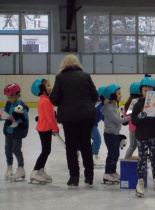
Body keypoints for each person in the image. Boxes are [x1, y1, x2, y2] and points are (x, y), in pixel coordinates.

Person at [50, 54, 98, 187]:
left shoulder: (60, 78)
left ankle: (74, 177)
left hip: (69, 117)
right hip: (87, 116)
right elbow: (95, 96)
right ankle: (89, 176)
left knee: (71, 147)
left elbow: (54, 99)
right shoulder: (86, 76)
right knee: (85, 145)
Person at [132, 75, 155, 197]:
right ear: (141, 91)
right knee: (142, 159)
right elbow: (133, 120)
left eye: (150, 90)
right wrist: (139, 117)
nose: (147, 92)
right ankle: (140, 181)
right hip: (142, 135)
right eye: (145, 90)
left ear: (154, 91)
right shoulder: (138, 104)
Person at [30, 78, 59, 183]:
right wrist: (55, 128)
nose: (50, 87)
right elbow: (49, 117)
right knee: (45, 150)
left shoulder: (45, 100)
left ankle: (41, 170)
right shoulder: (45, 101)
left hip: (44, 128)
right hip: (44, 128)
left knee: (46, 150)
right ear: (42, 88)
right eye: (48, 85)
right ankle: (36, 171)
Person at [101, 84, 131, 183]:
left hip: (114, 134)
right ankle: (107, 173)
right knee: (112, 154)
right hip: (110, 135)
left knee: (116, 153)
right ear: (112, 96)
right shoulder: (109, 109)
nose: (120, 96)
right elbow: (118, 120)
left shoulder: (113, 106)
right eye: (118, 94)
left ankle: (112, 171)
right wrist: (131, 116)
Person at [2, 83, 29, 180]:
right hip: (8, 131)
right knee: (8, 150)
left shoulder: (21, 105)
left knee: (16, 150)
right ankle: (9, 168)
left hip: (16, 133)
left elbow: (24, 118)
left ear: (17, 95)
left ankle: (21, 168)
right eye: (8, 97)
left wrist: (15, 119)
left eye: (11, 97)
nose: (9, 99)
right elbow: (5, 115)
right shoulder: (8, 104)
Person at [124, 82, 142, 159]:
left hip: (132, 129)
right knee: (141, 147)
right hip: (140, 128)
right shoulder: (140, 102)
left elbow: (126, 117)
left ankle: (126, 160)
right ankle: (142, 162)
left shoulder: (129, 103)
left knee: (132, 146)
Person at [92, 86, 106, 166]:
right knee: (97, 139)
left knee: (95, 140)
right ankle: (94, 157)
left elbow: (104, 117)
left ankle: (92, 156)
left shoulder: (100, 104)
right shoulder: (99, 105)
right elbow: (104, 117)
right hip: (90, 125)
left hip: (91, 125)